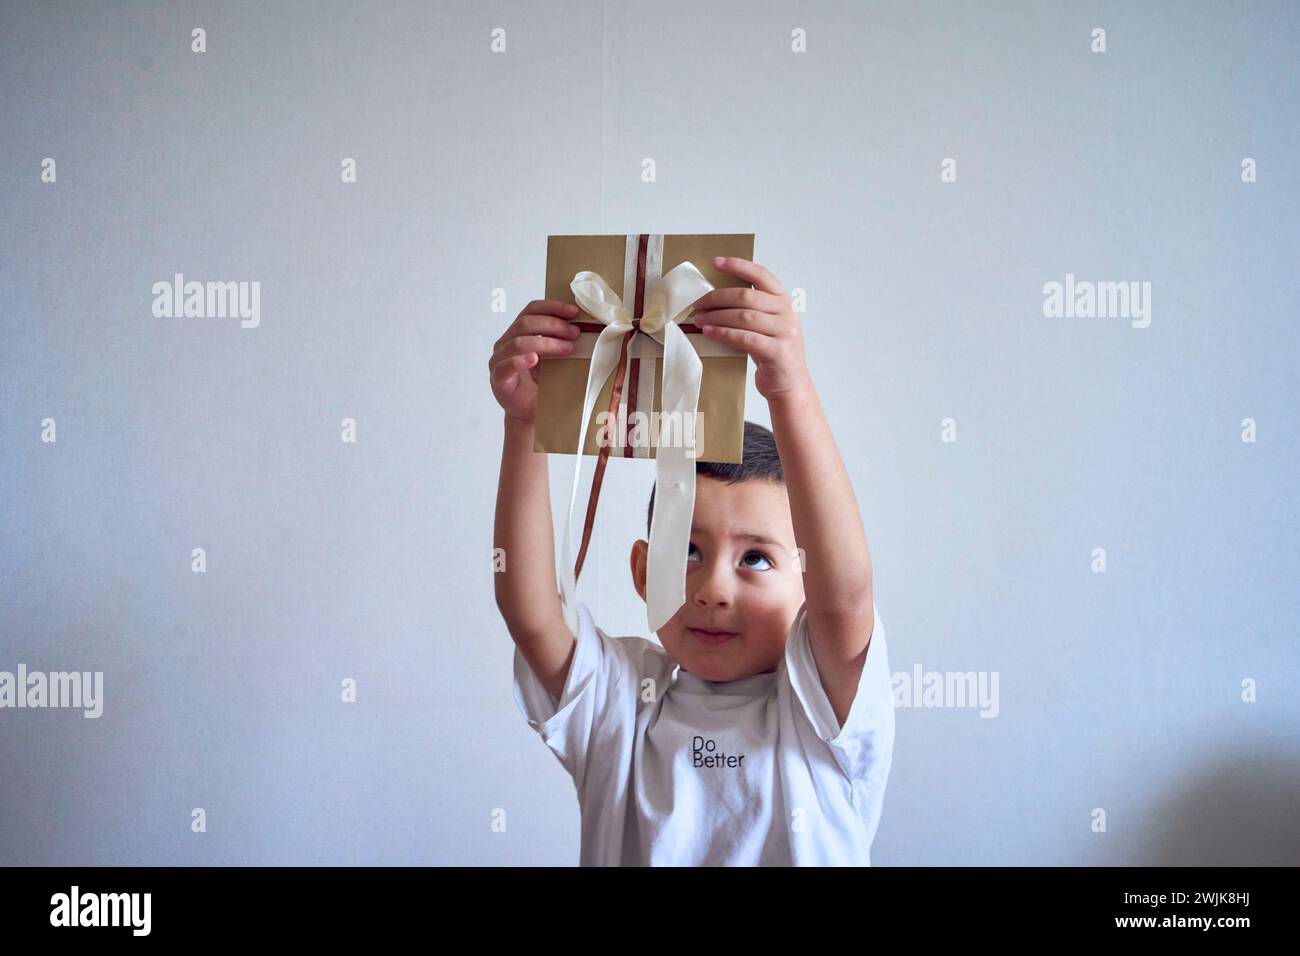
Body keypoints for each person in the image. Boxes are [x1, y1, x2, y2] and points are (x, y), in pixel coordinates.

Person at [489, 255, 894, 865]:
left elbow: (847, 598)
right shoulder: (621, 702)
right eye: (687, 550)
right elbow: (530, 610)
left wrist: (789, 386)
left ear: (807, 579)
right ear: (643, 570)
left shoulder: (820, 710)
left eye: (756, 559)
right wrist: (526, 422)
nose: (712, 589)